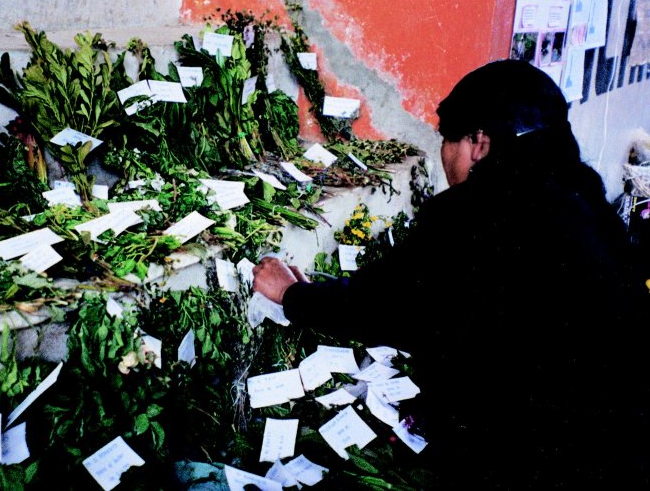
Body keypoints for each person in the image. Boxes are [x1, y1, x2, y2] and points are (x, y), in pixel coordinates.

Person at [252, 59, 649, 488]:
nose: (445, 160)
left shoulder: (480, 212)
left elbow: (388, 305)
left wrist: (292, 295)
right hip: (620, 438)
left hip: (535, 455)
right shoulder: (583, 194)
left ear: (479, 142)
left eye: (447, 141)